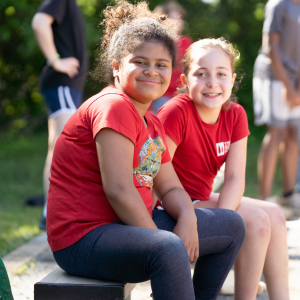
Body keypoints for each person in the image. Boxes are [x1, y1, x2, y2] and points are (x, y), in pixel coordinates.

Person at [46, 2, 246, 299]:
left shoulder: (151, 119)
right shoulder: (112, 106)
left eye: (161, 64)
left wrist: (188, 219)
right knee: (168, 248)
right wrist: (163, 240)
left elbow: (170, 186)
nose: (152, 71)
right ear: (116, 66)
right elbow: (119, 190)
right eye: (140, 62)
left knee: (231, 225)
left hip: (125, 227)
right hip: (83, 239)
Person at [157, 38, 289, 300]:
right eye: (201, 74)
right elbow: (158, 176)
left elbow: (236, 177)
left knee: (274, 213)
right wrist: (226, 225)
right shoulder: (175, 111)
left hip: (201, 200)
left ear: (232, 79)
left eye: (221, 74)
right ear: (183, 80)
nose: (212, 83)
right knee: (258, 221)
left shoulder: (235, 114)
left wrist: (224, 224)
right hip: (169, 204)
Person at [31, 0, 89, 230]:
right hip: (62, 84)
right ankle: (52, 213)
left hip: (66, 86)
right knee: (62, 147)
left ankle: (50, 212)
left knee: (58, 146)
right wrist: (55, 60)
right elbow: (39, 22)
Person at [253, 0, 300, 212]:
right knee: (277, 132)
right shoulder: (277, 4)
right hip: (272, 77)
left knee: (293, 134)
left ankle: (288, 196)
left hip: (294, 80)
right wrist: (288, 87)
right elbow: (271, 48)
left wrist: (297, 86)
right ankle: (265, 198)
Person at [149, 0, 193, 114]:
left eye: (180, 18)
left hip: (183, 94)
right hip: (161, 94)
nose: (178, 22)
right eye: (174, 18)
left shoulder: (186, 42)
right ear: (163, 20)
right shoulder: (157, 43)